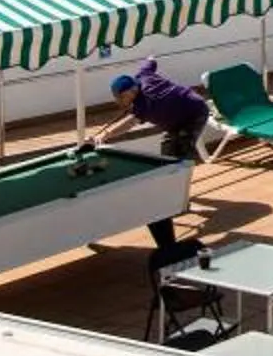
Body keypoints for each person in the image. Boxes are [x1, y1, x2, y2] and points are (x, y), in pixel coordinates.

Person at [84, 60, 211, 251]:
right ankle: (174, 194)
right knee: (167, 150)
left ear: (130, 92)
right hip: (181, 114)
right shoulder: (143, 76)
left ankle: (180, 202)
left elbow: (130, 122)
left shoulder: (146, 102)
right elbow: (151, 62)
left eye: (119, 98)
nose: (117, 102)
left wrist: (104, 135)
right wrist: (150, 59)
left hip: (194, 114)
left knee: (180, 158)